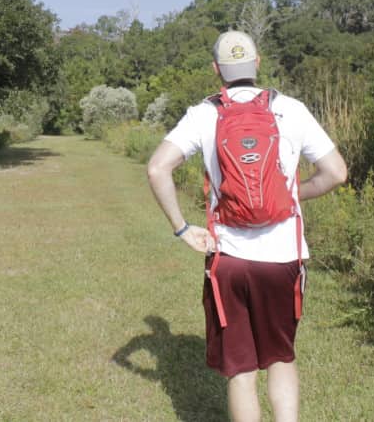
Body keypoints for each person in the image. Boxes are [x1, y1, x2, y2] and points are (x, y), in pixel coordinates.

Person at [146, 30, 348, 422]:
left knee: (240, 371)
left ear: (216, 70)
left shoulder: (204, 113)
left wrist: (182, 229)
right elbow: (336, 173)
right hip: (284, 259)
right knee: (280, 359)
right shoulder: (291, 108)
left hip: (229, 259)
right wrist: (293, 195)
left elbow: (157, 168)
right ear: (257, 63)